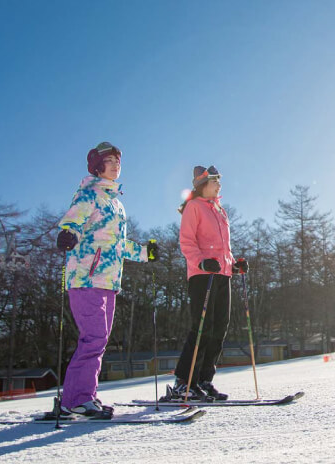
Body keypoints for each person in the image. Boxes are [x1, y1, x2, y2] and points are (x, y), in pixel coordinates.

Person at [55, 142, 159, 418]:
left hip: (109, 281)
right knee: (94, 338)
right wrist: (68, 234)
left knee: (98, 341)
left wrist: (144, 253)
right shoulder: (89, 194)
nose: (115, 165)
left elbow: (118, 244)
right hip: (86, 277)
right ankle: (75, 400)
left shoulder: (116, 204)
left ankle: (83, 397)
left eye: (117, 161)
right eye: (109, 160)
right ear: (97, 166)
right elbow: (73, 222)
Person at [166, 166, 245, 402]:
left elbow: (223, 248)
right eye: (214, 182)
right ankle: (183, 382)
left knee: (219, 327)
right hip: (202, 275)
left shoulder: (220, 211)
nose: (219, 185)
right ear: (202, 185)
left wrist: (234, 265)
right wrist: (202, 263)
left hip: (222, 274)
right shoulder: (194, 207)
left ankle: (204, 380)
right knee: (202, 328)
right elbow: (187, 242)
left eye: (219, 181)